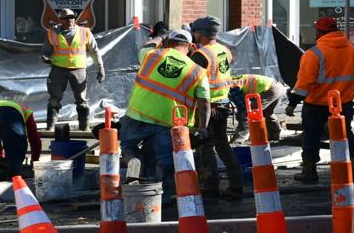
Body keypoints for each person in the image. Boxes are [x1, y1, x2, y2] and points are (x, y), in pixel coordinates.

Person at [119, 29, 210, 200]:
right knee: (164, 159)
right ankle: (163, 197)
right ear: (190, 47)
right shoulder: (197, 71)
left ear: (167, 43)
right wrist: (203, 127)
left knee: (128, 145)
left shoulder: (151, 55)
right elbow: (204, 103)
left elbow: (146, 45)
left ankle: (132, 160)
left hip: (137, 114)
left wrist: (160, 36)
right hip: (168, 121)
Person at [286, 16, 354, 185]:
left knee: (312, 136)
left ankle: (309, 171)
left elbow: (304, 83)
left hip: (316, 105)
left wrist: (292, 103)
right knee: (345, 134)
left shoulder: (314, 53)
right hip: (342, 103)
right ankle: (353, 168)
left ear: (319, 31)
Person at [187, 16, 242, 197]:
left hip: (208, 106)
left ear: (200, 33)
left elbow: (192, 81)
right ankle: (236, 184)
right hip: (224, 104)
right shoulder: (223, 50)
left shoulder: (200, 55)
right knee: (222, 144)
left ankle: (210, 186)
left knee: (205, 145)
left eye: (194, 31)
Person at [39, 7, 105, 129]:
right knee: (54, 99)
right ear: (60, 20)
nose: (70, 20)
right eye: (66, 18)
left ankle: (84, 128)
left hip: (79, 69)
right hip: (58, 69)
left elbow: (94, 51)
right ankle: (50, 127)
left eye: (72, 17)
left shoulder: (84, 32)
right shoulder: (52, 32)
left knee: (82, 100)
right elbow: (45, 51)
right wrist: (45, 58)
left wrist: (100, 67)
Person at [0, 96, 42, 180]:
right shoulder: (25, 110)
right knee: (15, 149)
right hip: (11, 113)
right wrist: (35, 161)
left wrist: (0, 157)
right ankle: (14, 179)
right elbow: (34, 139)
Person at [229, 74, 285, 143]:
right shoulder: (233, 80)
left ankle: (238, 141)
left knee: (248, 113)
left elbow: (243, 107)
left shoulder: (230, 87)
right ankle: (274, 136)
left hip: (270, 89)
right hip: (278, 87)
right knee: (267, 113)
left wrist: (239, 116)